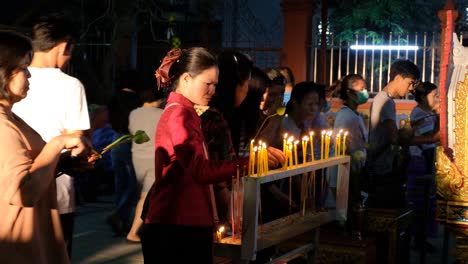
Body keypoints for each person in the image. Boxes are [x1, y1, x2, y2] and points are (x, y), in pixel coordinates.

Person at [140, 47, 284, 263]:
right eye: (207, 84)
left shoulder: (187, 111)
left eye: (215, 85)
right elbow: (199, 170)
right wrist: (250, 162)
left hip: (186, 220)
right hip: (176, 222)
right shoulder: (179, 114)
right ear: (187, 79)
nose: (212, 91)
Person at [0, 30, 92, 264]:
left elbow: (29, 167)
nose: (29, 74)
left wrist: (62, 163)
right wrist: (57, 143)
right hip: (17, 245)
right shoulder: (2, 125)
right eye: (22, 68)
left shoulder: (11, 117)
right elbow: (24, 192)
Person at [367, 59, 421, 208]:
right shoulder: (386, 102)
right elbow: (394, 138)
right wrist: (412, 133)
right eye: (409, 83)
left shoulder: (381, 98)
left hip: (378, 164)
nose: (410, 88)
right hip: (382, 167)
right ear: (397, 78)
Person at [106, 68, 142, 236]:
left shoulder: (113, 98)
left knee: (120, 182)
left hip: (115, 139)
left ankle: (122, 219)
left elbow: (109, 119)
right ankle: (120, 215)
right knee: (133, 183)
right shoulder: (136, 99)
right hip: (130, 140)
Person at [126, 87, 164, 242]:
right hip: (153, 158)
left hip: (137, 157)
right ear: (158, 99)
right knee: (146, 197)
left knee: (143, 194)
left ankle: (139, 226)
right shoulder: (161, 114)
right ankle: (133, 232)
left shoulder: (133, 113)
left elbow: (132, 132)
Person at [406, 81, 440, 252]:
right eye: (434, 95)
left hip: (428, 158)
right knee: (421, 202)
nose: (437, 98)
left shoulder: (429, 113)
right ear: (421, 97)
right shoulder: (419, 113)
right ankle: (418, 239)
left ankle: (423, 237)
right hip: (420, 161)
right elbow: (431, 135)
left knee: (429, 201)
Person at [332, 74, 369, 208]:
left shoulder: (354, 114)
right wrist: (355, 185)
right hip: (347, 176)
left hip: (355, 172)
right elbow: (345, 151)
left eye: (365, 88)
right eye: (362, 89)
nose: (365, 92)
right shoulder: (346, 117)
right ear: (349, 92)